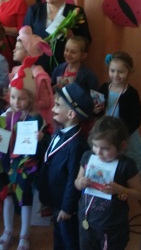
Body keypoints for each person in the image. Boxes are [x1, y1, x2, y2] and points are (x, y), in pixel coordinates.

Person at [0, 61, 48, 250]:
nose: (16, 102)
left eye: (21, 98)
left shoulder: (36, 118)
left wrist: (41, 139)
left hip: (25, 166)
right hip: (7, 165)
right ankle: (7, 230)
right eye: (13, 97)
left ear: (30, 98)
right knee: (7, 197)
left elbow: (43, 147)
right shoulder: (5, 115)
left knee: (25, 198)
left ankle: (24, 234)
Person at [75, 116, 141, 250]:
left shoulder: (126, 165)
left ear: (122, 146)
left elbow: (139, 193)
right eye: (95, 145)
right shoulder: (88, 156)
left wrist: (119, 189)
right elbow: (77, 183)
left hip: (111, 228)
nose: (98, 152)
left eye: (105, 148)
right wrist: (81, 182)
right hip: (86, 221)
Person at [38, 83, 92, 250]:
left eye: (57, 105)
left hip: (66, 205)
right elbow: (53, 155)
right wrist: (43, 141)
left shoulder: (77, 145)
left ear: (70, 114)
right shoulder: (59, 131)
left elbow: (72, 179)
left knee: (69, 240)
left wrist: (67, 208)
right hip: (56, 199)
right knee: (58, 236)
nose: (53, 108)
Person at [23, 0, 91, 74]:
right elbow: (24, 36)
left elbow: (86, 40)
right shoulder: (34, 10)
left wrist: (72, 36)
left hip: (65, 62)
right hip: (38, 61)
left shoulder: (75, 11)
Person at [95, 52, 141, 172]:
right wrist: (95, 111)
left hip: (126, 136)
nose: (116, 75)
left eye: (120, 72)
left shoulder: (132, 93)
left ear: (129, 72)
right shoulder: (103, 88)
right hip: (106, 133)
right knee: (108, 161)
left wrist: (122, 135)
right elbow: (98, 112)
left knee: (129, 164)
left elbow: (137, 119)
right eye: (112, 71)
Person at [11, 25, 54, 132]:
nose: (14, 50)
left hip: (34, 121)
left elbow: (46, 101)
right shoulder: (15, 71)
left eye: (18, 48)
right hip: (18, 116)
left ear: (28, 53)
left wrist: (30, 105)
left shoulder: (38, 75)